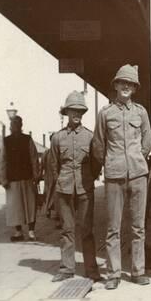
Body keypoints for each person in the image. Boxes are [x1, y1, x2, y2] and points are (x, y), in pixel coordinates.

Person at [92, 64, 151, 290]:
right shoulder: (105, 114)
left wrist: (138, 157)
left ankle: (138, 271)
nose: (126, 86)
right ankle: (114, 273)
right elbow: (98, 144)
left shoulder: (141, 112)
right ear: (116, 85)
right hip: (115, 175)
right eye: (122, 83)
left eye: (130, 84)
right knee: (113, 227)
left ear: (134, 88)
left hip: (138, 173)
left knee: (138, 226)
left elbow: (148, 140)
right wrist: (111, 161)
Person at [49, 91, 101, 282]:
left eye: (80, 111)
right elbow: (53, 165)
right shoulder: (57, 138)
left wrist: (89, 178)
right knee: (67, 230)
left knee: (87, 230)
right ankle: (66, 269)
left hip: (85, 189)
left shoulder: (90, 137)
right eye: (73, 111)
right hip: (64, 190)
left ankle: (91, 269)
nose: (76, 114)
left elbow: (96, 163)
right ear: (67, 112)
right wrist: (61, 181)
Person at [0, 115, 40, 242]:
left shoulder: (28, 139)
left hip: (27, 179)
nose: (14, 126)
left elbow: (34, 158)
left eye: (17, 124)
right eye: (13, 124)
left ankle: (31, 232)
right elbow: (2, 161)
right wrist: (4, 179)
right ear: (10, 126)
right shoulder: (6, 141)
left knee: (30, 206)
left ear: (21, 126)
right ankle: (18, 232)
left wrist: (36, 175)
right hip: (12, 180)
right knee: (15, 207)